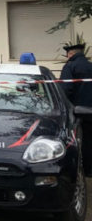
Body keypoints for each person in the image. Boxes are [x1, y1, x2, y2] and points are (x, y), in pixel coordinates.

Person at [60, 42, 92, 175]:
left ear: (71, 54)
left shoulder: (70, 66)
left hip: (76, 111)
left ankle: (79, 169)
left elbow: (65, 89)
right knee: (90, 139)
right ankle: (89, 170)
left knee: (75, 140)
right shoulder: (90, 66)